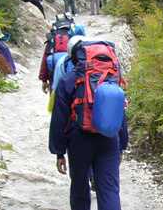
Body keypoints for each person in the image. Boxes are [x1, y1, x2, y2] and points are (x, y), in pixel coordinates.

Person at [49, 42, 128, 210]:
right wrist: (122, 145)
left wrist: (59, 152)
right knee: (109, 190)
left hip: (79, 139)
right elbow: (120, 112)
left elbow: (59, 120)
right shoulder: (111, 79)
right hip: (109, 139)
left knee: (79, 187)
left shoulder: (67, 81)